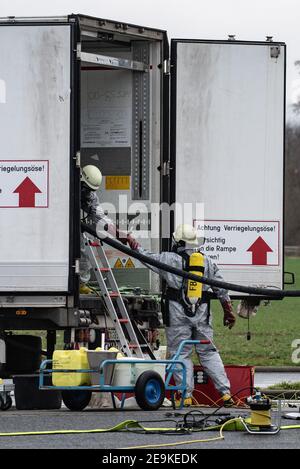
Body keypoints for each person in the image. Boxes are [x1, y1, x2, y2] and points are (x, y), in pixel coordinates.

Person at [127, 224, 236, 406]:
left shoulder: (169, 259)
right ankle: (226, 394)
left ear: (177, 240)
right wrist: (228, 311)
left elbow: (146, 257)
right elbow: (222, 289)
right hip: (202, 314)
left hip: (177, 315)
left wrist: (134, 245)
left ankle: (185, 396)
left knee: (180, 353)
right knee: (209, 352)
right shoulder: (207, 262)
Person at [80, 164, 135, 294]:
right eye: (86, 189)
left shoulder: (90, 197)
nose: (88, 193)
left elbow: (100, 218)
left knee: (85, 246)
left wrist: (120, 234)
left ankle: (81, 283)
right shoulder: (68, 190)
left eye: (91, 190)